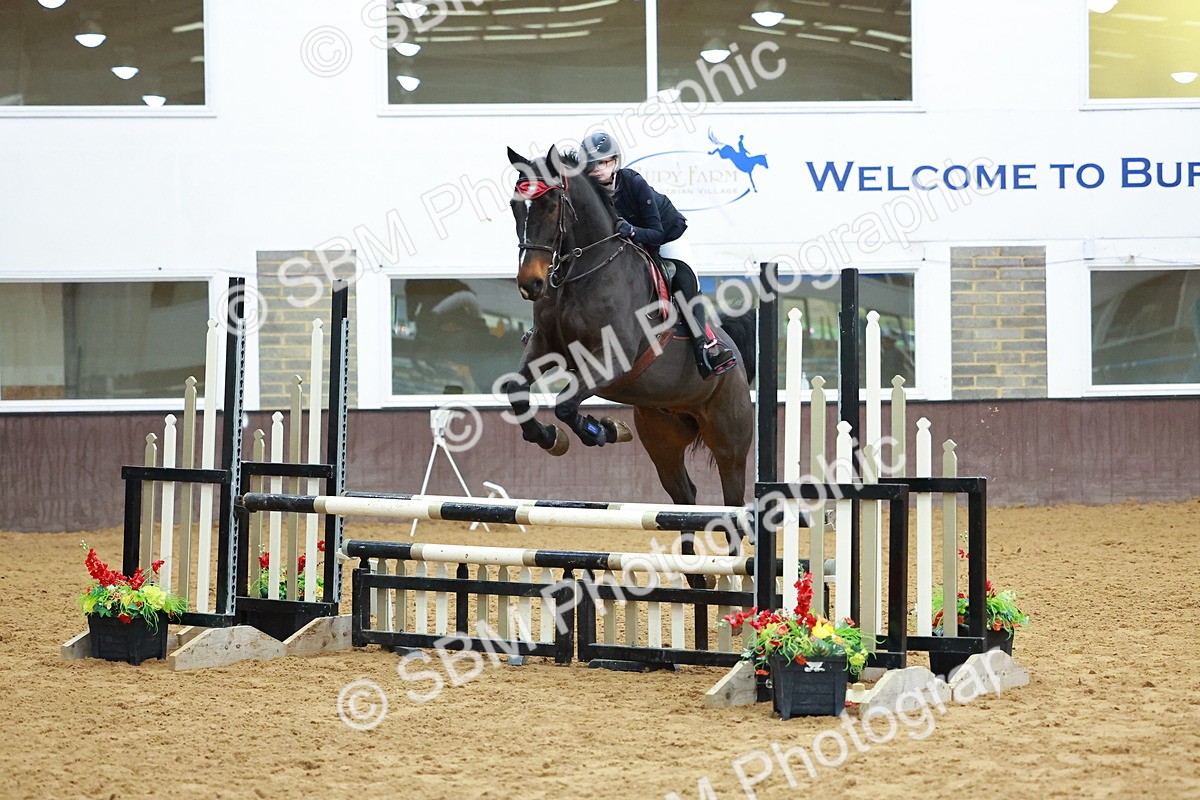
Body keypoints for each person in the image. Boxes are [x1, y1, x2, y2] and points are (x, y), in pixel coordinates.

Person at [580, 131, 737, 380]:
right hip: (630, 243)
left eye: (604, 162)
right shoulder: (589, 192)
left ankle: (705, 348)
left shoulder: (633, 183)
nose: (598, 169)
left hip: (666, 235)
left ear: (615, 162)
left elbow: (656, 232)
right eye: (592, 164)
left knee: (685, 282)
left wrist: (631, 230)